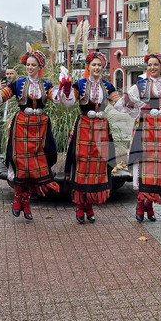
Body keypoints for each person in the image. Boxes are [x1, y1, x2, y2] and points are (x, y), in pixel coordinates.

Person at [0, 50, 65, 220]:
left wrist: (64, 85)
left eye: (33, 65)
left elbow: (57, 98)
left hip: (40, 127)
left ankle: (26, 202)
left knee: (34, 166)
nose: (30, 68)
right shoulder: (17, 84)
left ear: (40, 66)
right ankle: (20, 200)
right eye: (28, 65)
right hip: (22, 126)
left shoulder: (46, 85)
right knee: (21, 165)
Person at [115, 53, 161, 221]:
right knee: (146, 164)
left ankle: (150, 203)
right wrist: (129, 100)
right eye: (149, 65)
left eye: (155, 64)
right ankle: (141, 203)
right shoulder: (139, 85)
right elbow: (123, 106)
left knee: (159, 166)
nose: (152, 67)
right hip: (146, 127)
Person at [58, 52, 120, 223]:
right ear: (88, 67)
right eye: (94, 65)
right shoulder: (80, 83)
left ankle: (90, 205)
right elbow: (69, 103)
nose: (97, 68)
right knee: (82, 162)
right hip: (84, 125)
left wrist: (132, 101)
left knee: (98, 163)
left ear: (102, 68)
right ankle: (80, 205)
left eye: (99, 65)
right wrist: (67, 87)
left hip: (101, 126)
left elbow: (119, 104)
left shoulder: (108, 86)